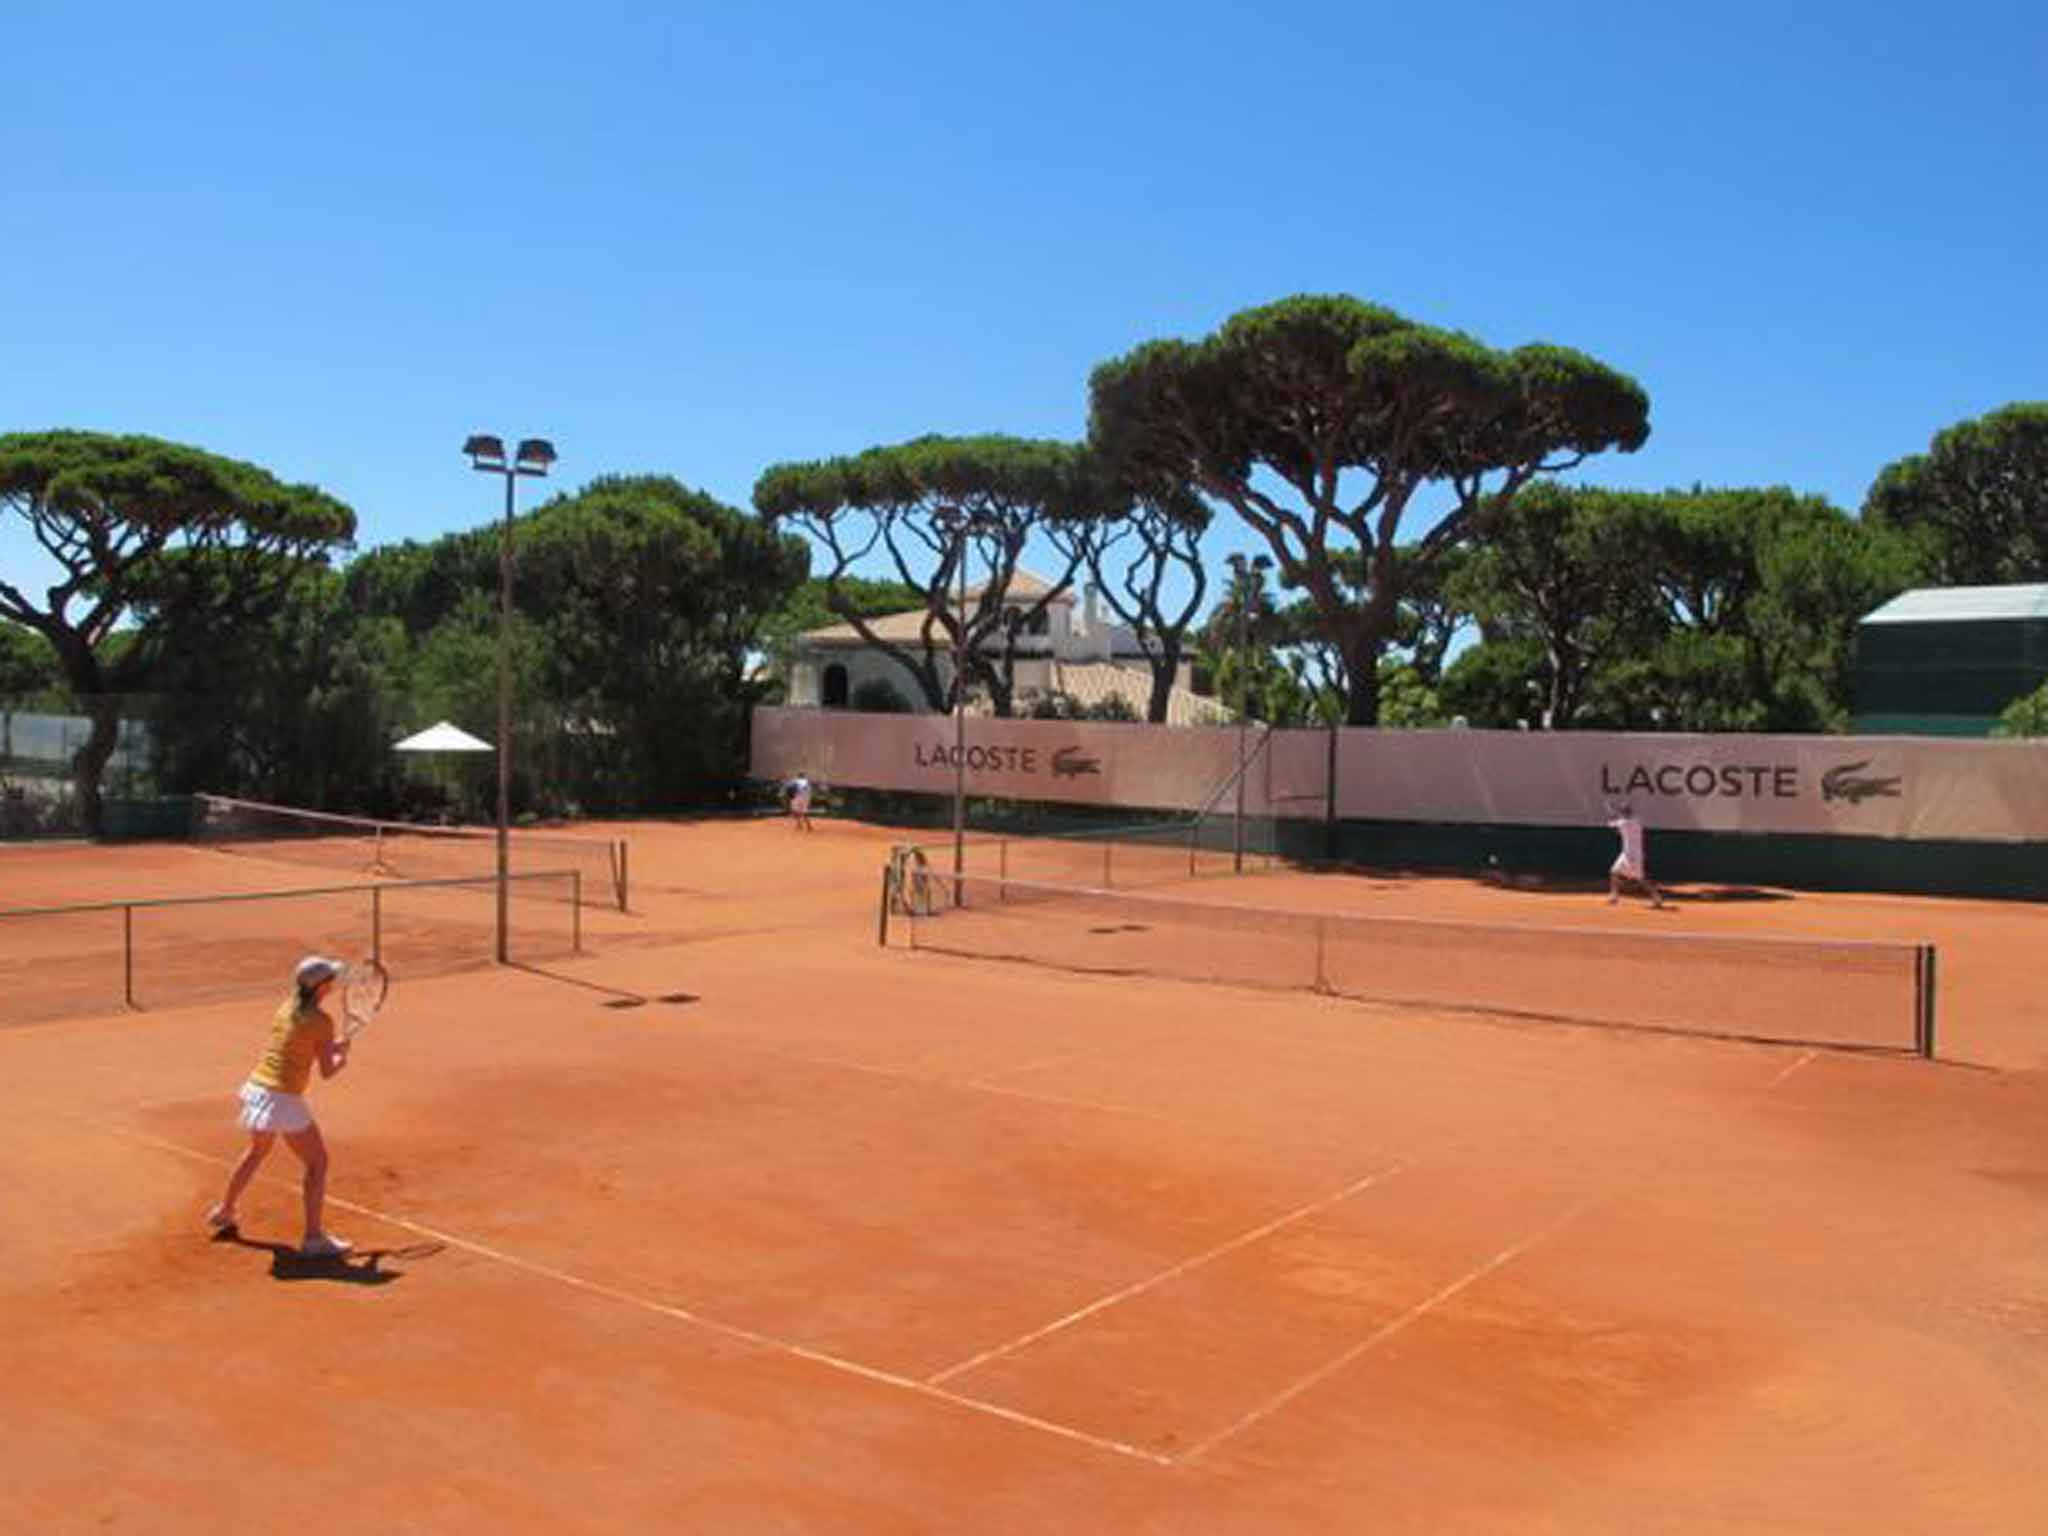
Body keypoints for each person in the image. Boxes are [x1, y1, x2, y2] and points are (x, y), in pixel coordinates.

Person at [206, 955, 354, 1256]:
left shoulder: (287, 1008)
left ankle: (225, 1210)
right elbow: (327, 1070)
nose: (334, 983)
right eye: (331, 979)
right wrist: (341, 1058)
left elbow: (299, 1044)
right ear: (322, 987)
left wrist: (332, 1045)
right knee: (317, 1163)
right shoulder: (323, 1022)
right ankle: (313, 1238)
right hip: (283, 1098)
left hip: (258, 1088)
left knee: (257, 1150)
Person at [1605, 801, 1665, 909]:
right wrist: (1615, 818)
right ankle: (1614, 896)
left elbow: (1612, 825)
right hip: (1626, 854)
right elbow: (1618, 828)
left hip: (1634, 856)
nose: (1623, 813)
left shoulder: (1624, 823)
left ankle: (1656, 898)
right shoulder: (1636, 821)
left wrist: (1611, 816)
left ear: (1626, 812)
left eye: (1624, 811)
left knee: (1641, 879)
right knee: (1614, 872)